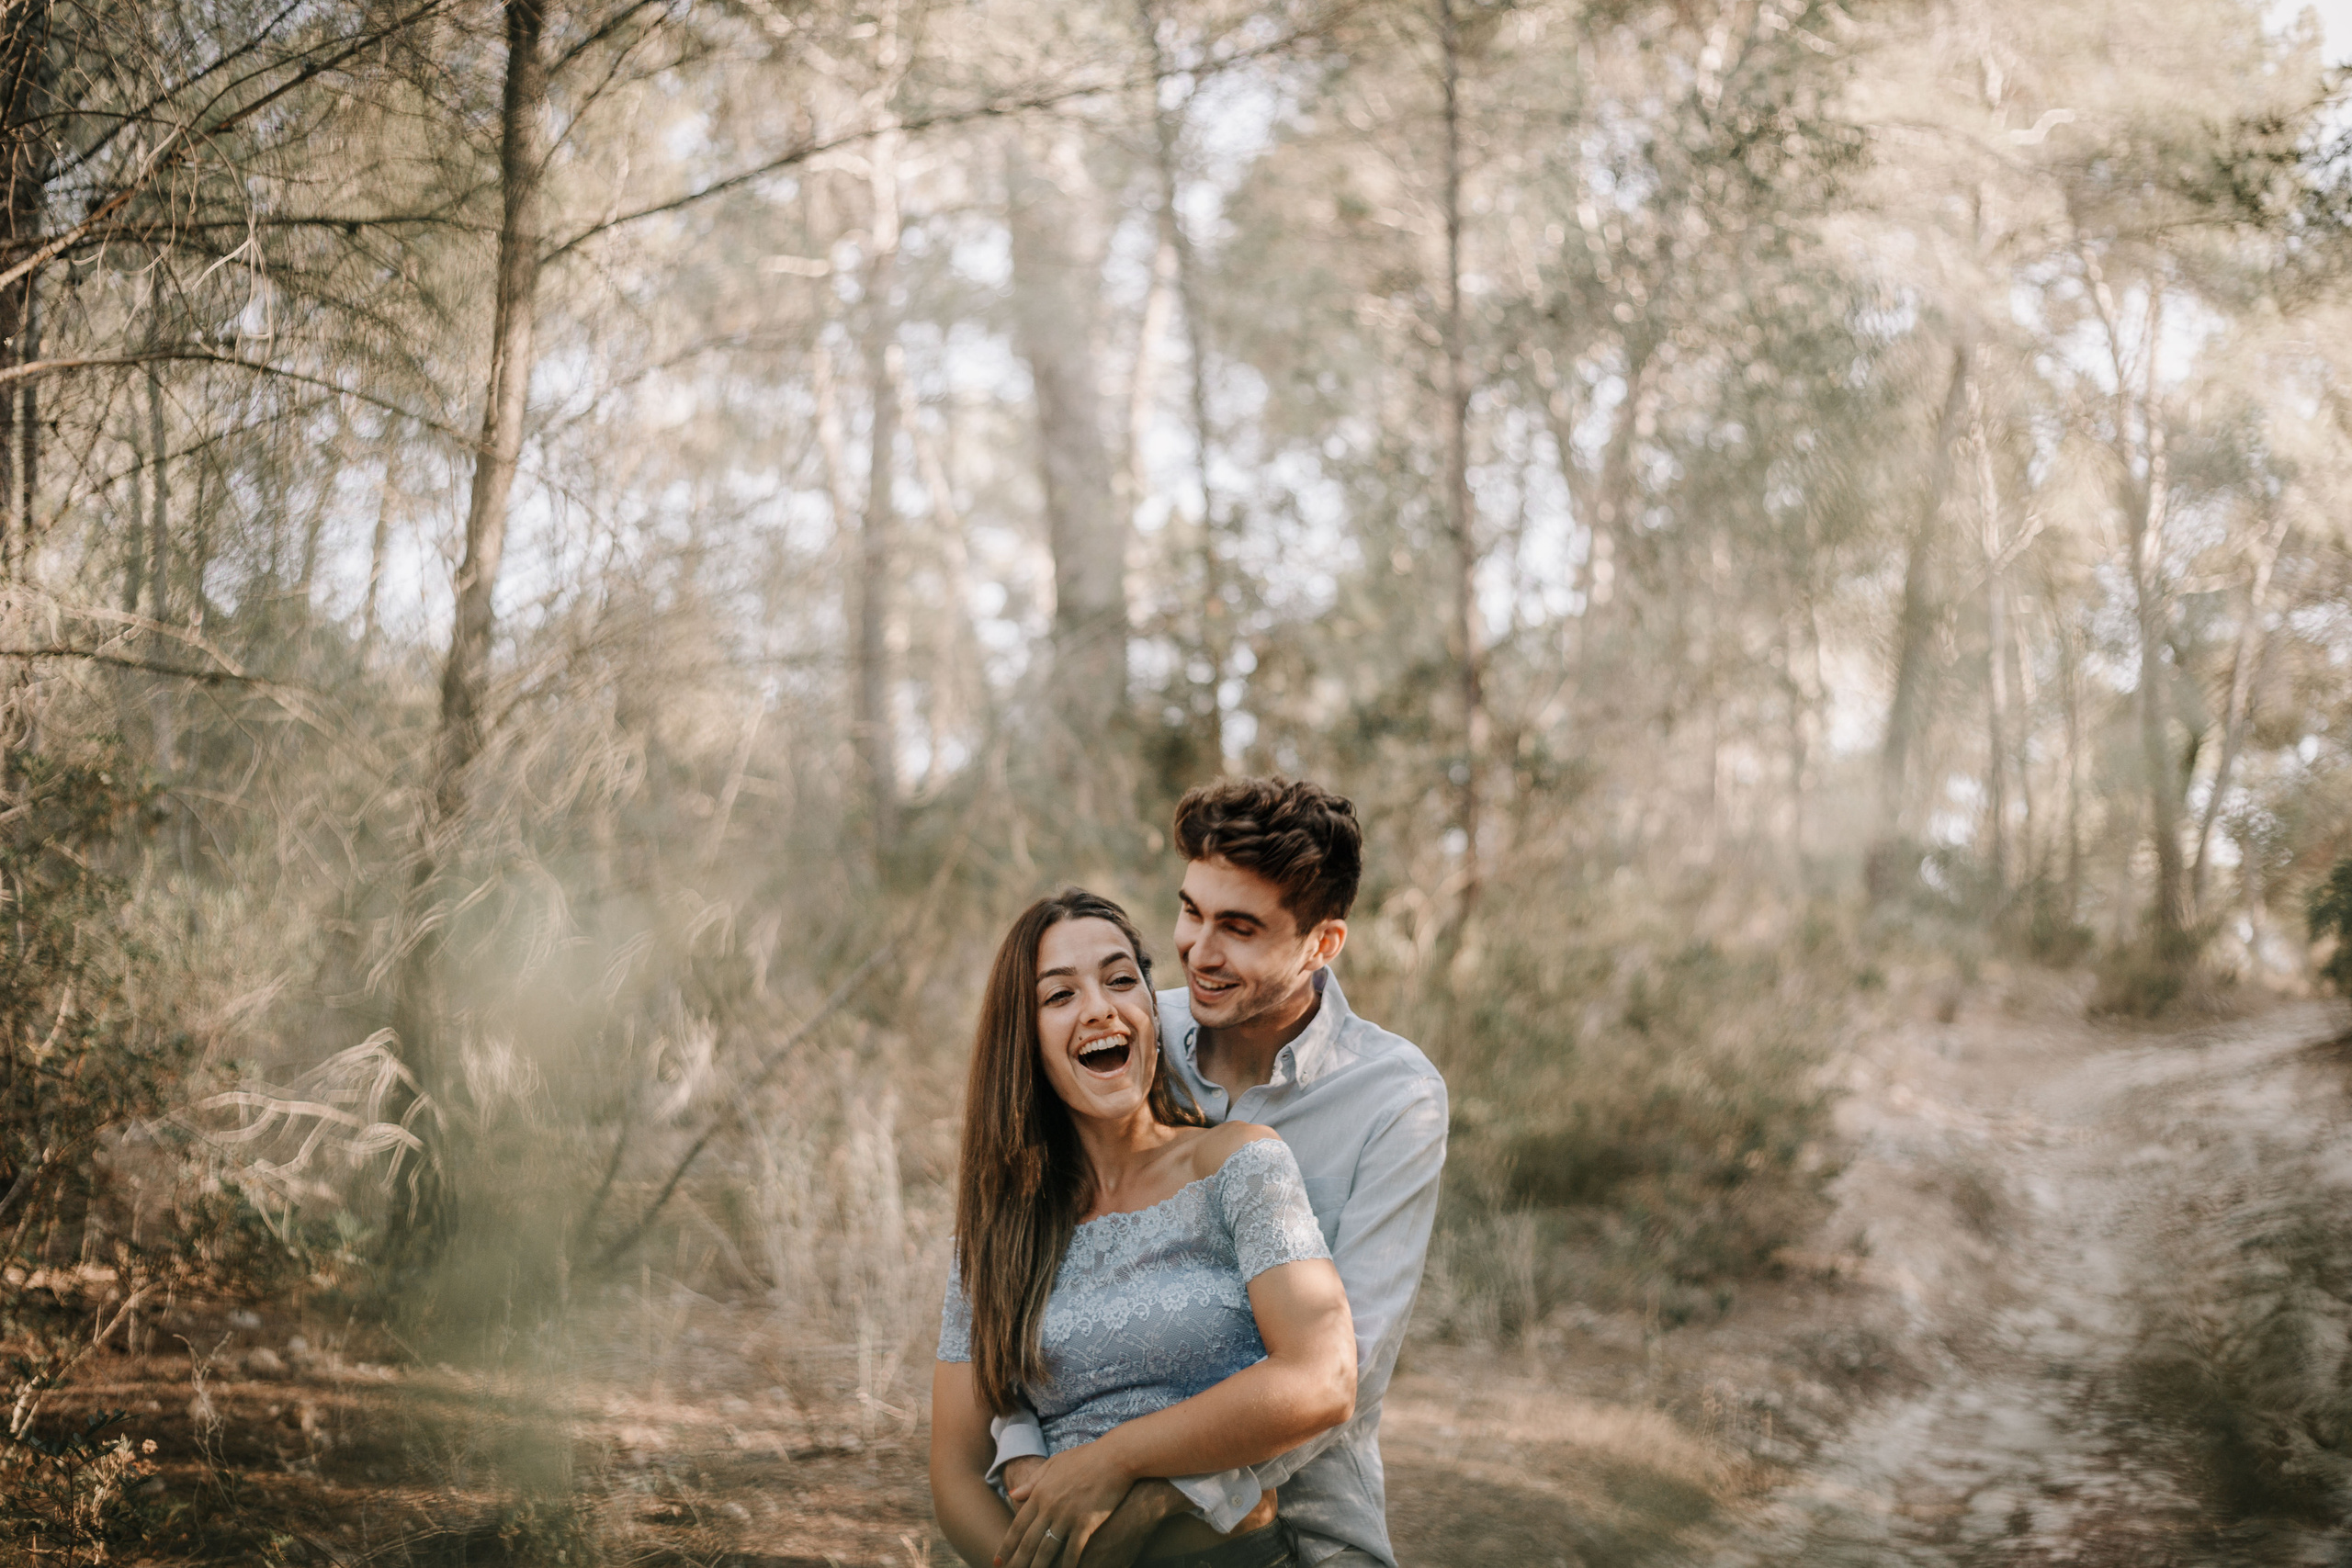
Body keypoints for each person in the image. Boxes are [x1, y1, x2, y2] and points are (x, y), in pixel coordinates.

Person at [995, 778, 1448, 1568]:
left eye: (1238, 928)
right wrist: (1027, 1452)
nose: (1199, 951)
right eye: (1191, 911)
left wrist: (1148, 1489)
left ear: (1321, 945)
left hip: (1310, 1522)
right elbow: (1020, 1258)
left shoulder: (1395, 1097)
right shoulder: (1128, 1029)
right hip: (1079, 1514)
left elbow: (1349, 1371)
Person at [932, 888, 1361, 1568]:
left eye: (1120, 979)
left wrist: (1113, 1461)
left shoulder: (1239, 1162)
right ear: (1026, 1036)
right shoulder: (998, 1229)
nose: (1099, 1006)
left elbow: (1324, 1377)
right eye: (1059, 995)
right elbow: (956, 1473)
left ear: (1152, 1012)